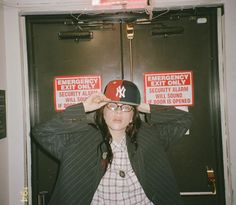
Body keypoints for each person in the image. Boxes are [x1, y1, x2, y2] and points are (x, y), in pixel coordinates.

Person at [32, 79, 192, 205]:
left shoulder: (151, 136)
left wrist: (146, 107)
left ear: (132, 116)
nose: (118, 112)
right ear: (103, 111)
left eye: (126, 107)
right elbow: (41, 132)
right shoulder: (78, 139)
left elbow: (184, 119)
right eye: (112, 106)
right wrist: (83, 107)